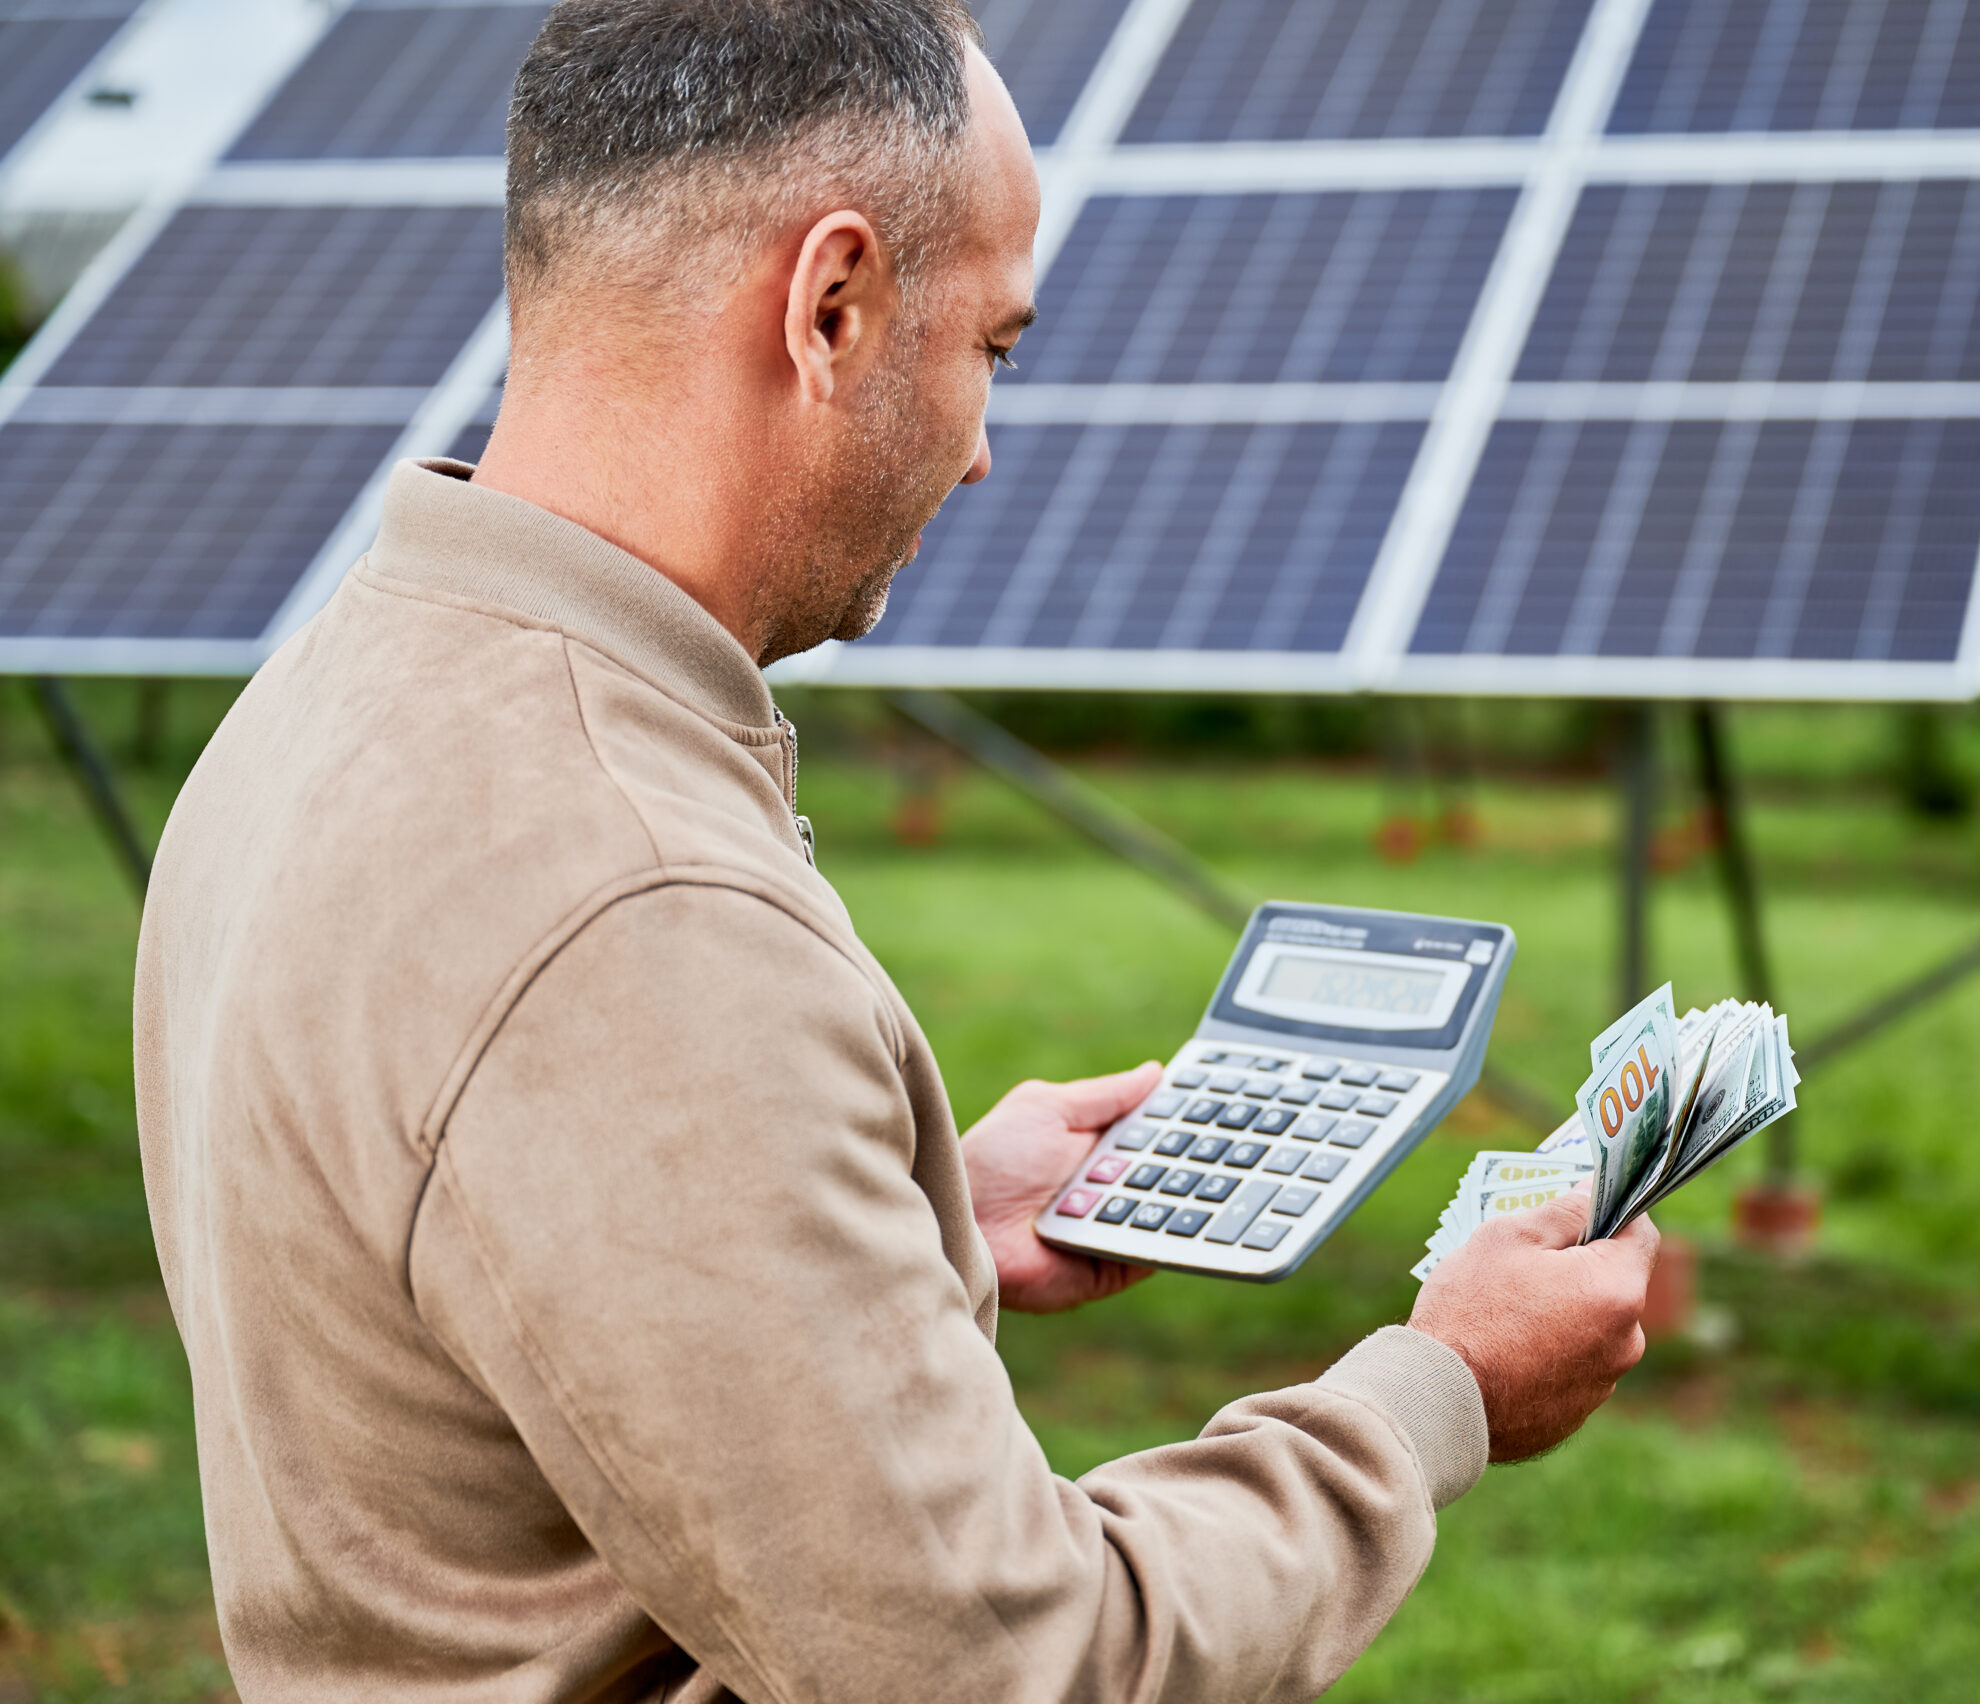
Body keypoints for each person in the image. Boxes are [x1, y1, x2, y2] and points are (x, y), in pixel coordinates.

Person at [132, 2, 1659, 1698]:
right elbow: (1010, 1667)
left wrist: (892, 1216)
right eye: (993, 346)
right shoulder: (632, 902)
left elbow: (497, 1294)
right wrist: (1435, 1393)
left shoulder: (339, 691)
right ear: (832, 306)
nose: (984, 444)